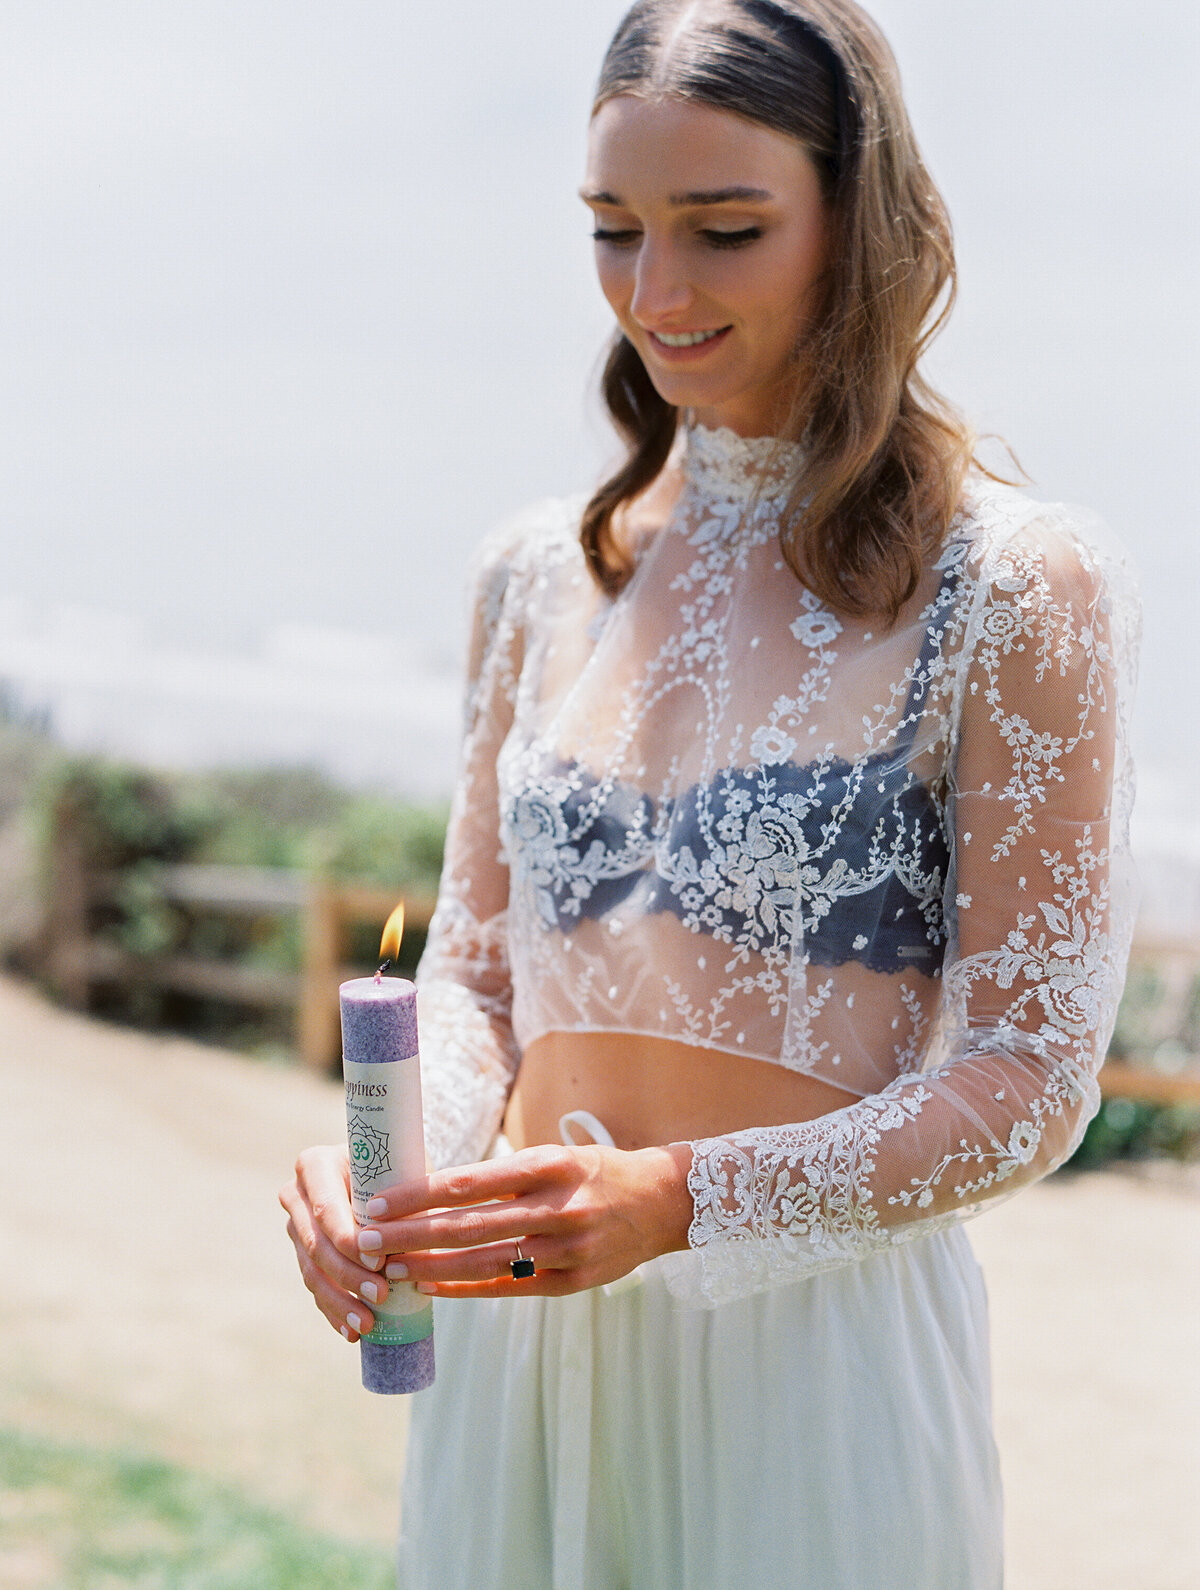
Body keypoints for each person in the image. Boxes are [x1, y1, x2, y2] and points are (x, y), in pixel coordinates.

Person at [279, 3, 1138, 1585]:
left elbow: (1028, 1080)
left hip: (810, 1375)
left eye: (723, 230)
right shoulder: (538, 572)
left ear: (855, 219)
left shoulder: (1012, 582)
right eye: (614, 231)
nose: (655, 295)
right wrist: (394, 1165)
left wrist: (680, 1201)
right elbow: (470, 977)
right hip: (518, 1367)